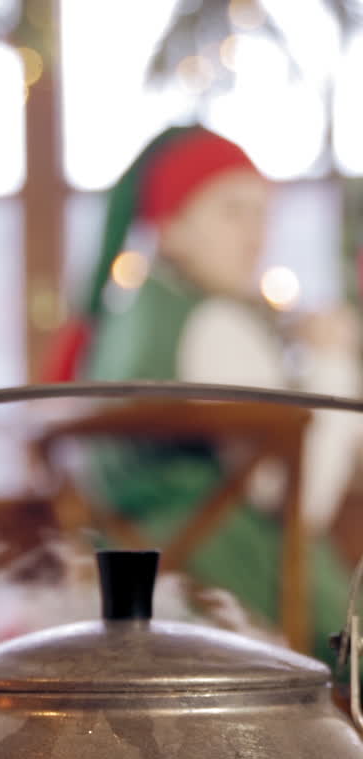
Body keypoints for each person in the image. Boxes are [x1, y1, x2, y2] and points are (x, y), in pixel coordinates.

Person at [43, 125, 363, 662]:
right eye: (232, 212)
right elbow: (298, 504)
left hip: (140, 598)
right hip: (246, 602)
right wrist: (333, 362)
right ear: (172, 227)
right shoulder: (215, 323)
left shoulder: (127, 322)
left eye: (262, 213)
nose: (256, 235)